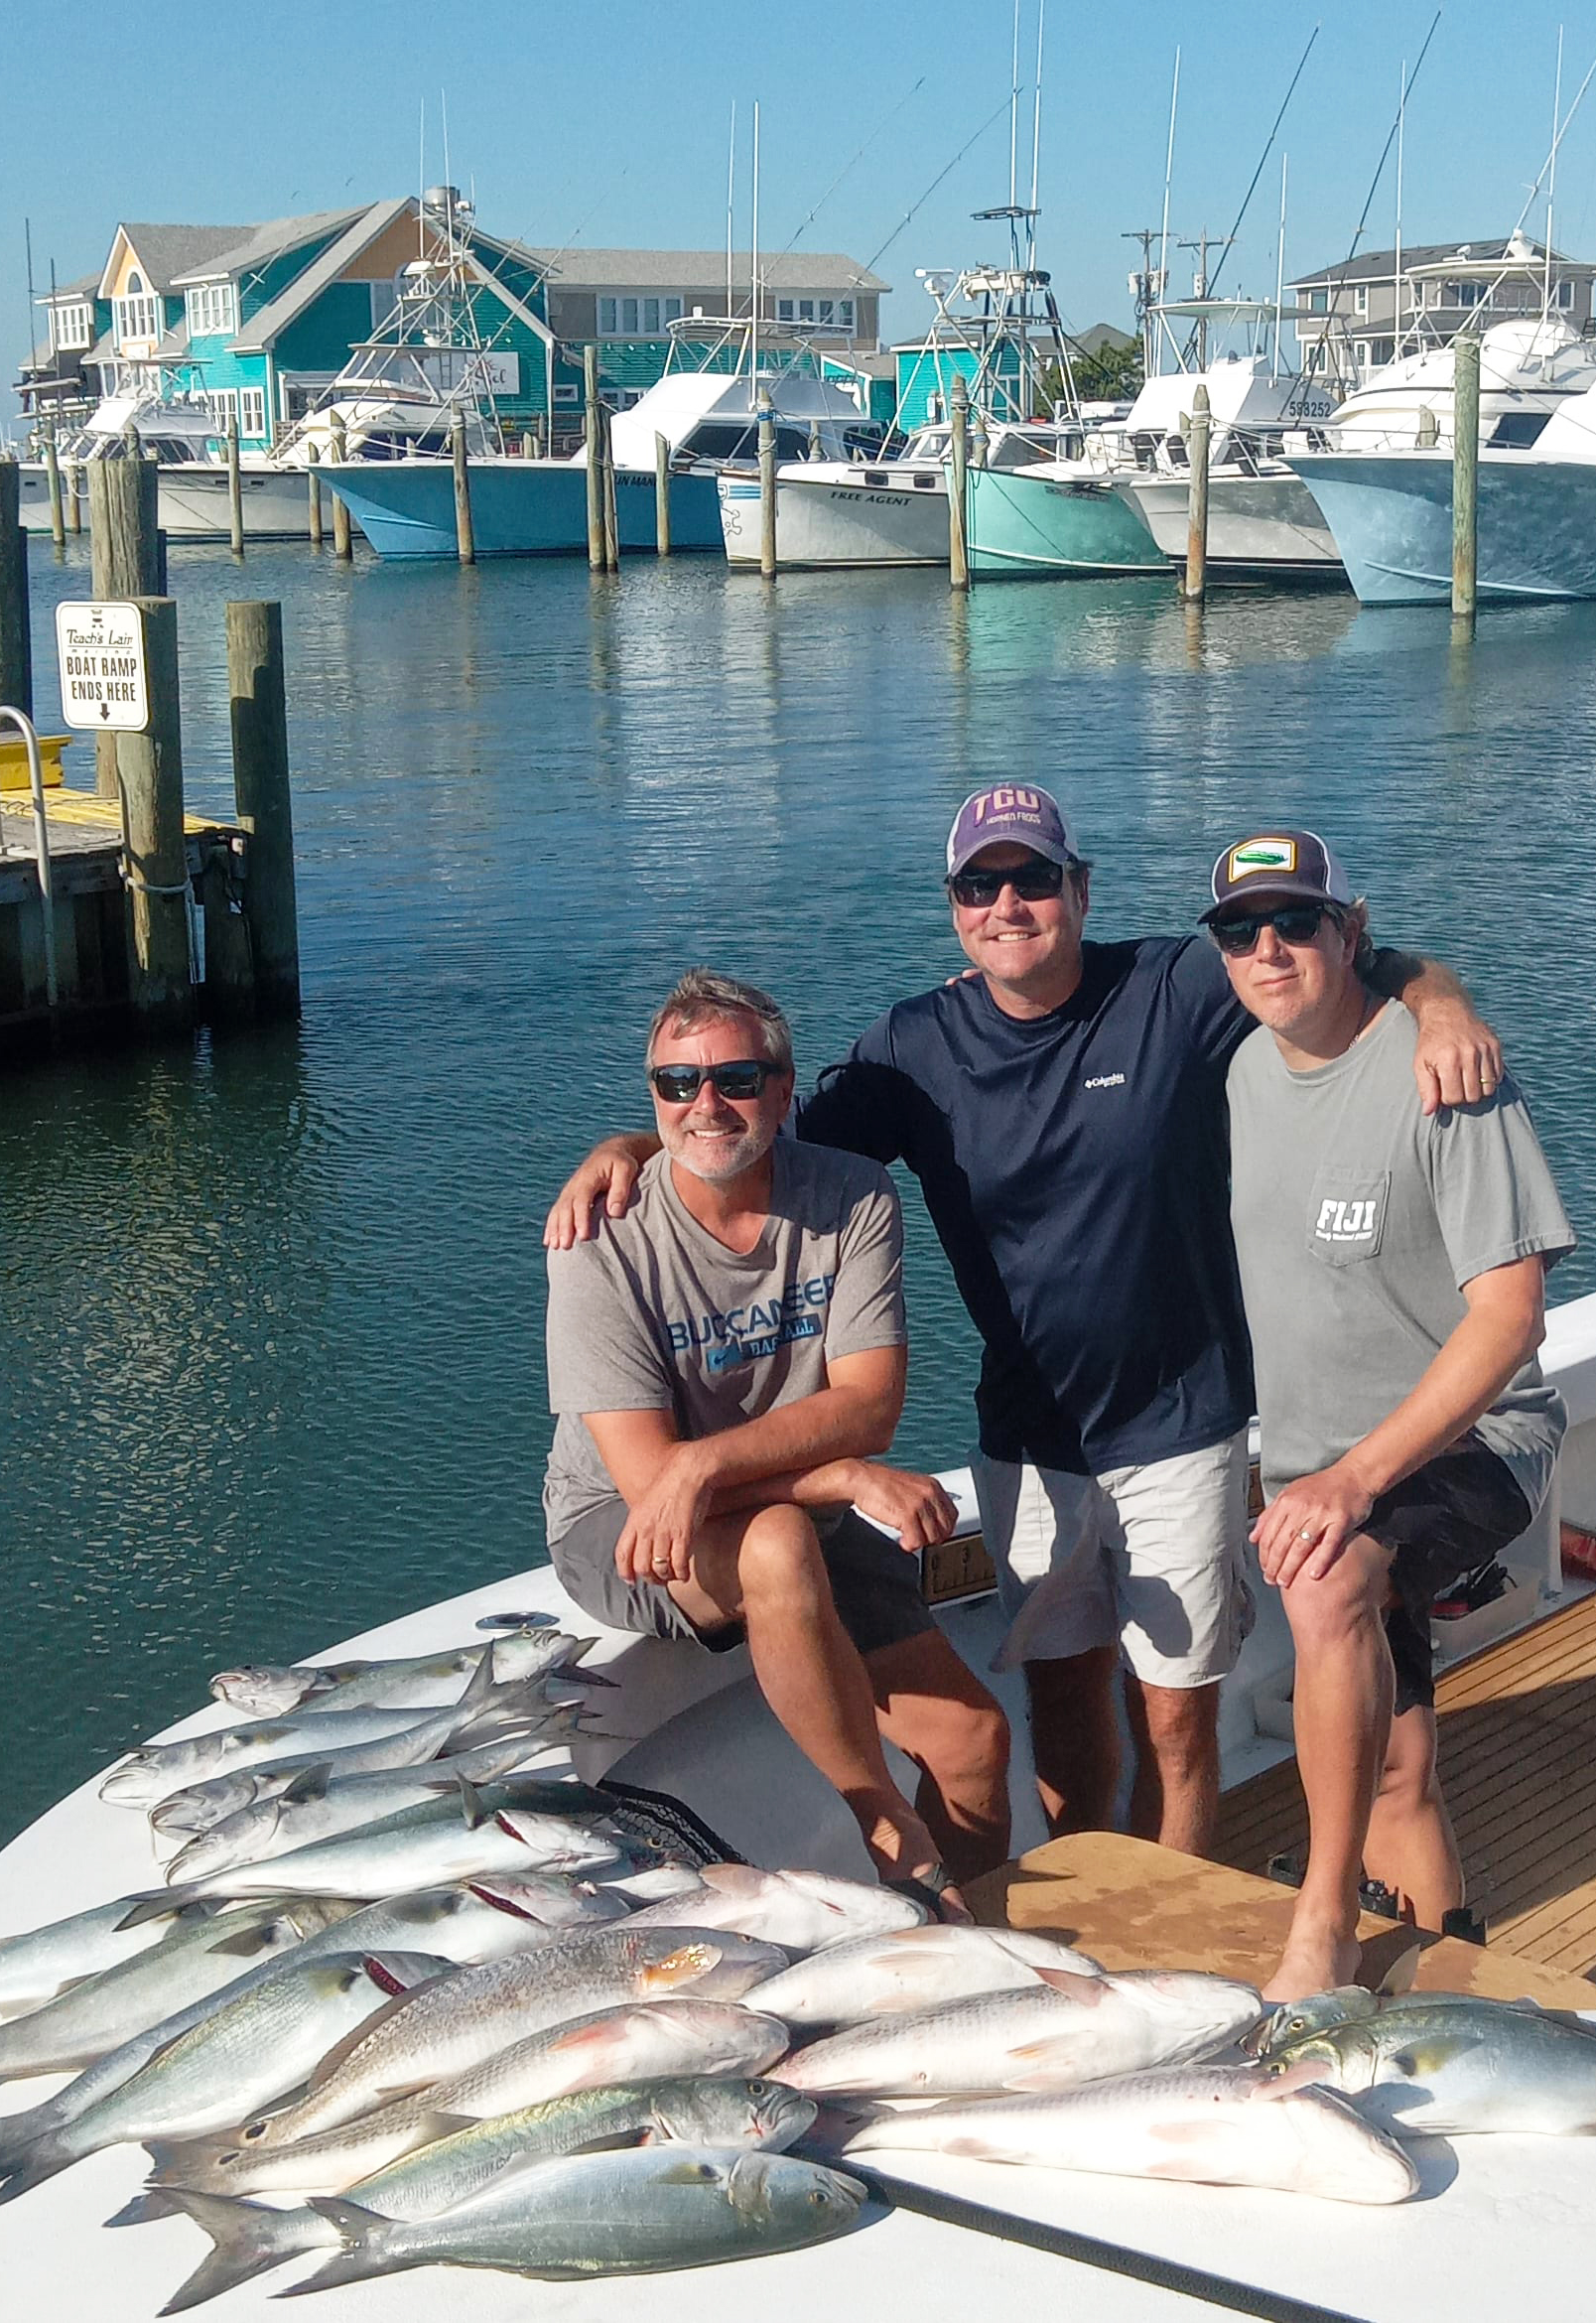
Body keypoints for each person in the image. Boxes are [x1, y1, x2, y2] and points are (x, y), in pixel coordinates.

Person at [546, 786, 1506, 1861]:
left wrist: (1448, 1007)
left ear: (1080, 890)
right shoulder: (911, 1047)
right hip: (1028, 1439)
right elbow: (744, 1131)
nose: (1008, 903)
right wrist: (633, 1143)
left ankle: (1173, 1923)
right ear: (954, 907)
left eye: (1034, 878)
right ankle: (1093, 1915)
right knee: (1063, 1699)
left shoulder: (1173, 984)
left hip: (1182, 1422)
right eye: (979, 884)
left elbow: (1360, 960)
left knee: (1181, 1721)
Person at [544, 968, 1011, 1906]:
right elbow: (648, 1486)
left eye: (735, 1080)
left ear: (785, 1091)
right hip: (623, 1527)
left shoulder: (854, 1197)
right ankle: (882, 1823)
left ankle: (977, 1956)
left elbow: (870, 1403)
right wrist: (837, 1479)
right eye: (677, 1084)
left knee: (975, 1743)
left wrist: (721, 1461)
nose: (704, 1104)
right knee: (780, 1541)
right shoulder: (602, 1238)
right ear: (652, 1097)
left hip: (763, 1499)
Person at [1206, 828, 1574, 2002]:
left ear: (1347, 932)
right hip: (1323, 1464)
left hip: (1474, 1445)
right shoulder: (1246, 1068)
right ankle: (1456, 1959)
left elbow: (1510, 1319)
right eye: (1240, 931)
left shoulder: (1445, 1073)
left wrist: (1353, 1482)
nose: (1269, 949)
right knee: (1400, 1763)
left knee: (1325, 1584)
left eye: (1297, 922)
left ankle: (1324, 1923)